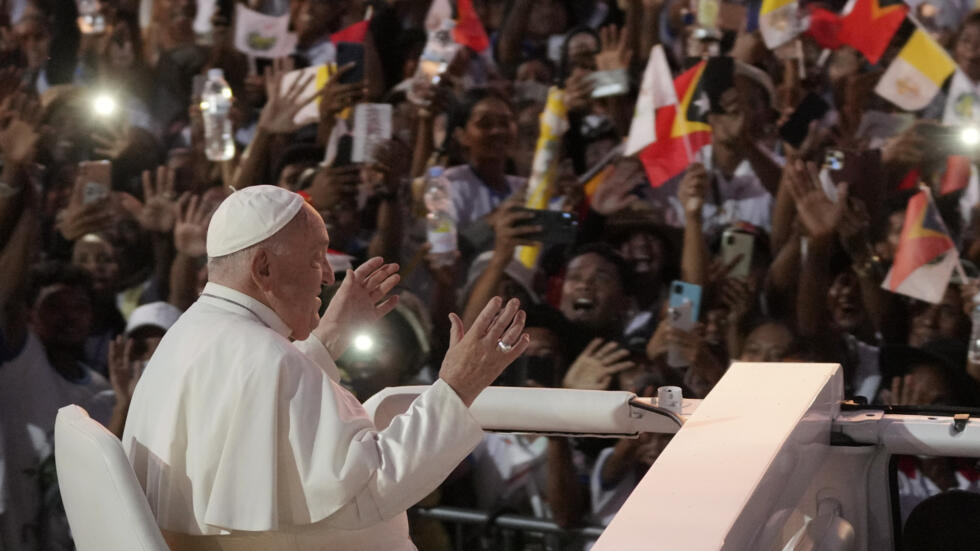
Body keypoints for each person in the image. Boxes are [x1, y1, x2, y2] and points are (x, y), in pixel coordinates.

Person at [122, 185, 530, 550]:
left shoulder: (190, 333)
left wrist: (328, 339)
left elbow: (262, 406)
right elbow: (372, 486)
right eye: (316, 258)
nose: (328, 276)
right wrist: (457, 387)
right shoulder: (266, 355)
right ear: (263, 268)